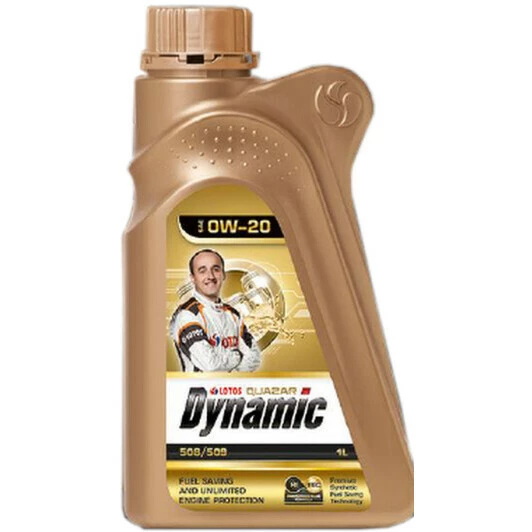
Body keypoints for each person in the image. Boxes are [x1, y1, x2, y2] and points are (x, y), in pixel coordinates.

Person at [170, 249, 262, 372]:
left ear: (223, 275)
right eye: (202, 271)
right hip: (199, 385)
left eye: (216, 269)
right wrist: (238, 355)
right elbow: (210, 365)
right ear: (193, 278)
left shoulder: (233, 314)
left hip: (234, 384)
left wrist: (229, 370)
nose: (210, 276)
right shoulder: (187, 314)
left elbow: (254, 359)